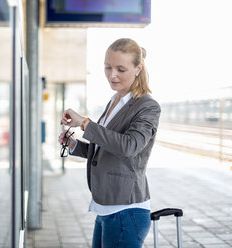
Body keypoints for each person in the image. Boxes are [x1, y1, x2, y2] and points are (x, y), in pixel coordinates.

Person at [58, 38, 160, 248]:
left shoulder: (147, 106)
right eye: (108, 67)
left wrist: (85, 123)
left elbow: (129, 146)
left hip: (126, 209)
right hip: (105, 207)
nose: (112, 75)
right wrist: (75, 145)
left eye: (121, 69)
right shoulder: (114, 101)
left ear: (138, 68)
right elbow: (107, 149)